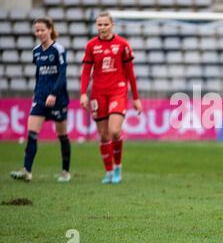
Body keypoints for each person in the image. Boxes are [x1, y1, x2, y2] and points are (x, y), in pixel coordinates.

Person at [80, 11, 142, 185]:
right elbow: (86, 71)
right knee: (103, 135)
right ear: (96, 26)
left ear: (112, 25)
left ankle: (117, 168)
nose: (102, 27)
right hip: (98, 93)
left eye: (105, 24)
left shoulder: (122, 44)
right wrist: (83, 93)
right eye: (99, 24)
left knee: (114, 131)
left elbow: (130, 73)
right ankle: (108, 171)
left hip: (118, 91)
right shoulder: (91, 45)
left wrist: (136, 98)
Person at [11, 17, 71, 183]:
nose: (39, 33)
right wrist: (36, 92)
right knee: (32, 133)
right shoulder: (36, 51)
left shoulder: (58, 49)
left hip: (57, 98)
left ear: (50, 29)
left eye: (42, 30)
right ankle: (27, 170)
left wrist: (53, 93)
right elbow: (39, 74)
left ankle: (66, 171)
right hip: (40, 97)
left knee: (62, 135)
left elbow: (62, 74)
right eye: (37, 30)